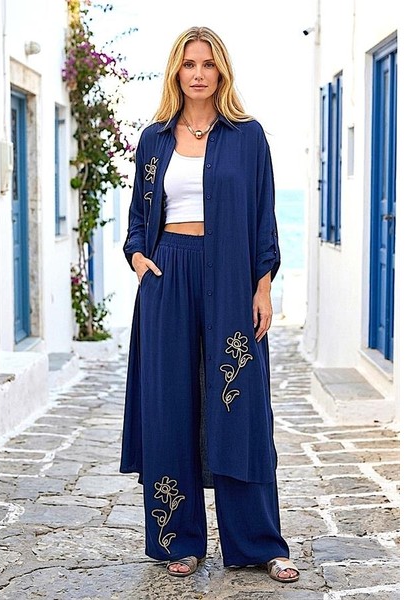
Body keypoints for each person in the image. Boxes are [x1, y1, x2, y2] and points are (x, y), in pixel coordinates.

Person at [119, 25, 300, 583]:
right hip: (168, 276)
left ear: (222, 71)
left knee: (239, 407)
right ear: (176, 72)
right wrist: (139, 260)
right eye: (189, 64)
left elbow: (264, 216)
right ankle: (179, 540)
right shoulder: (154, 140)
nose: (198, 73)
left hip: (231, 276)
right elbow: (138, 219)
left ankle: (258, 543)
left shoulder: (247, 137)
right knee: (169, 405)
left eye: (208, 64)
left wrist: (262, 286)